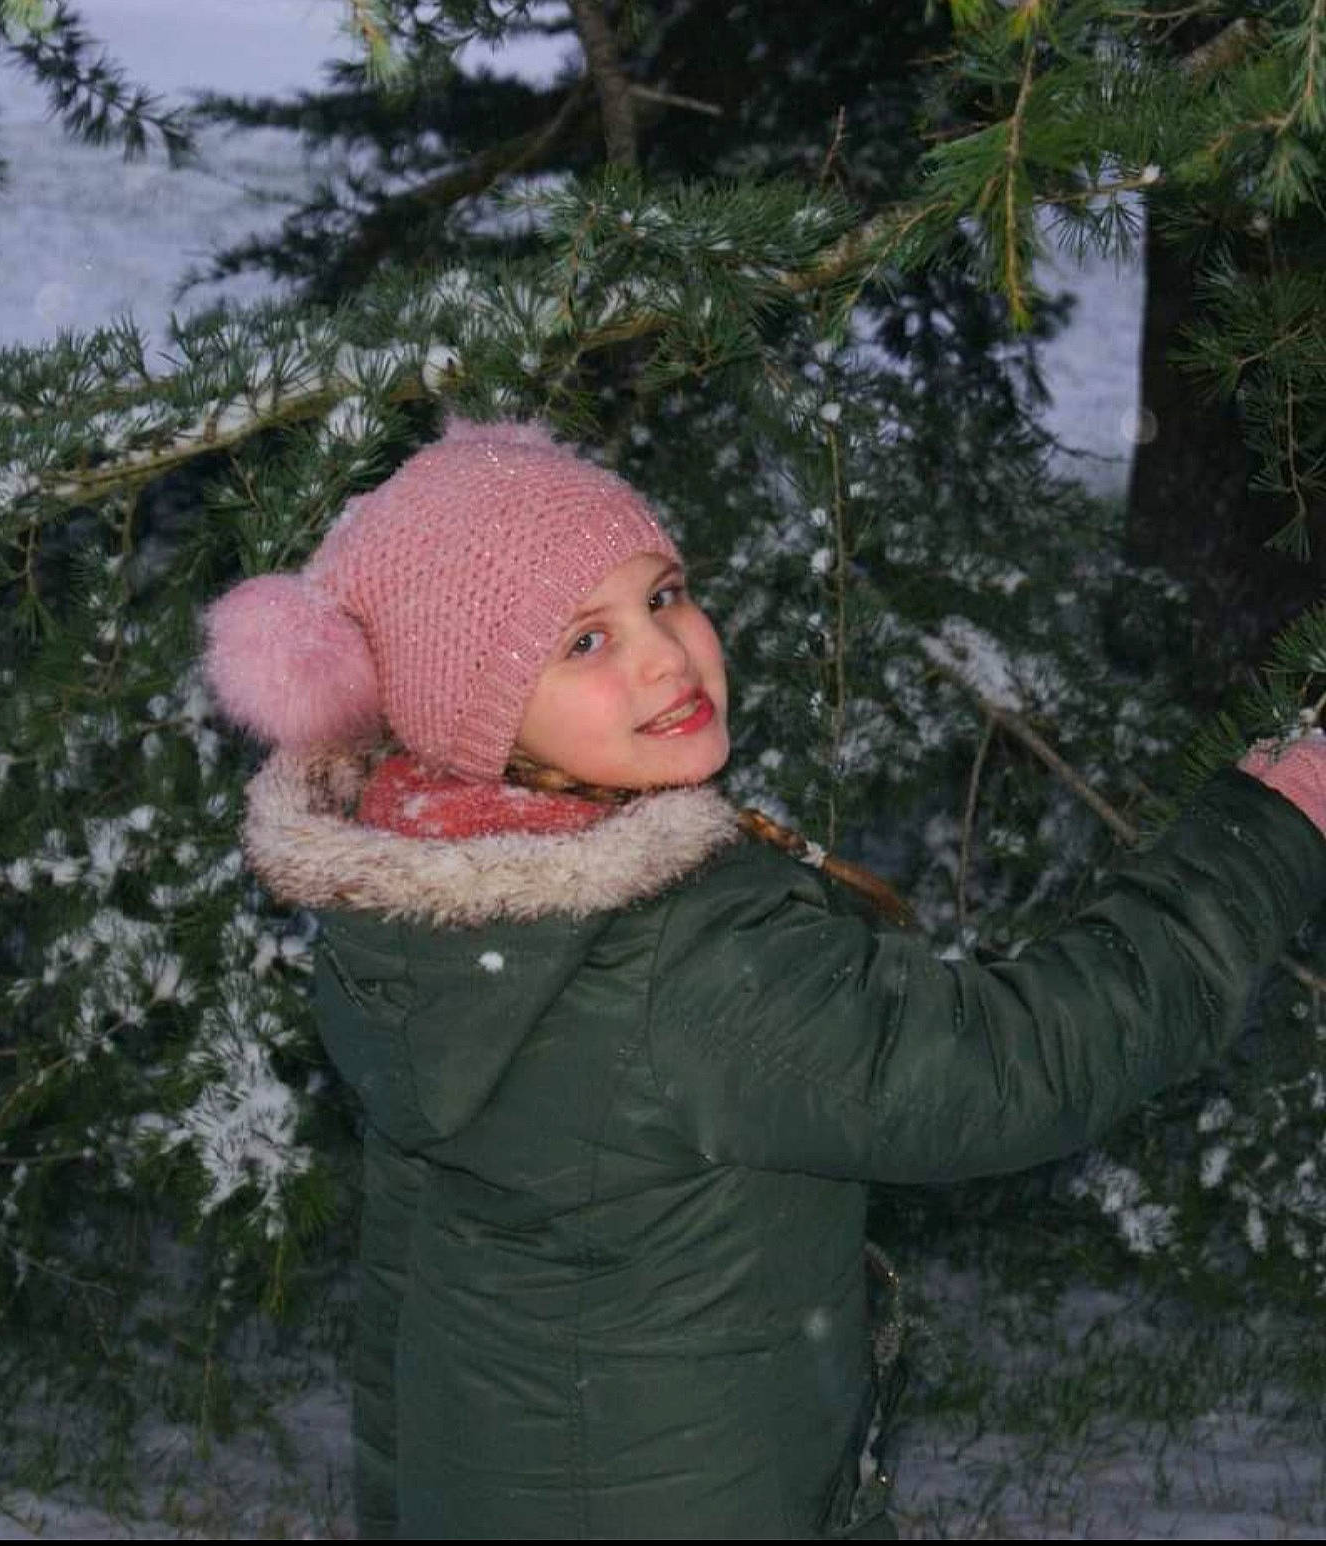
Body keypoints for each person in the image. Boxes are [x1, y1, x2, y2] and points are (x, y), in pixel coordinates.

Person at [203, 416, 1326, 1541]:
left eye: (665, 592)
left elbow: (406, 1297)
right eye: (581, 642)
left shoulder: (414, 913)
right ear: (472, 716)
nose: (664, 652)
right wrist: (1272, 826)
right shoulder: (676, 963)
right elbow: (1014, 1064)